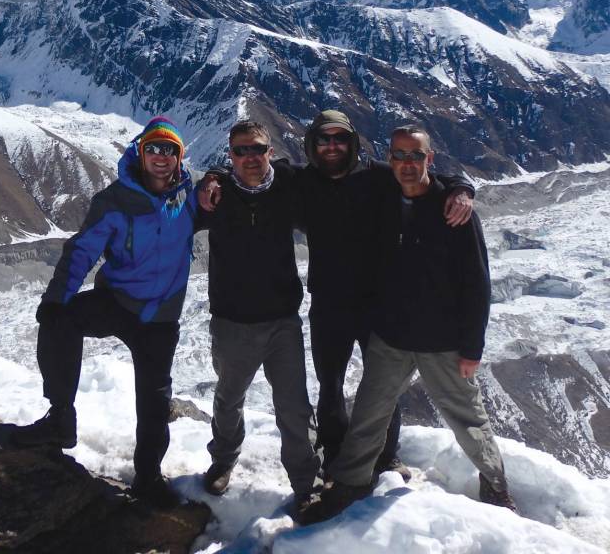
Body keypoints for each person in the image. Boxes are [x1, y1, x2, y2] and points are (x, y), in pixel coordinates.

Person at [303, 125, 515, 525]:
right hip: (392, 336)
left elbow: (476, 284)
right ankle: (349, 483)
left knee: (468, 417)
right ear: (389, 158)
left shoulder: (454, 211)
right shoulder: (383, 194)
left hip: (442, 341)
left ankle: (496, 485)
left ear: (429, 159)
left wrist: (472, 347)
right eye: (398, 156)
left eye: (415, 156)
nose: (406, 164)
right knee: (369, 413)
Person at [11, 117, 197, 510]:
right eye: (154, 148)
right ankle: (60, 417)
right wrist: (57, 297)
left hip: (160, 317)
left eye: (170, 150)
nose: (161, 157)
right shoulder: (114, 200)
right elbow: (82, 250)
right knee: (60, 320)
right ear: (140, 152)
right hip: (117, 303)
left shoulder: (189, 197)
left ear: (179, 159)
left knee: (154, 401)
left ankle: (148, 476)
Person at [296, 111, 473, 482]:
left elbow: (430, 177)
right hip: (328, 303)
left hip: (378, 303)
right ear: (313, 144)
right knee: (330, 385)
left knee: (382, 385)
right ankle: (333, 454)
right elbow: (257, 174)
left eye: (340, 138)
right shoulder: (302, 181)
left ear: (352, 143)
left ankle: (385, 456)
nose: (332, 146)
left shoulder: (378, 176)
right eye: (324, 139)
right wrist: (214, 178)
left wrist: (461, 188)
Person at [196, 120, 319, 517]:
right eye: (241, 151)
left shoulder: (288, 184)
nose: (250, 157)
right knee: (229, 400)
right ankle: (223, 460)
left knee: (294, 405)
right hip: (232, 321)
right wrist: (208, 179)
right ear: (229, 156)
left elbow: (344, 180)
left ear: (271, 150)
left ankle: (306, 482)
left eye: (258, 149)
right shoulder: (216, 195)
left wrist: (459, 185)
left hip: (282, 320)